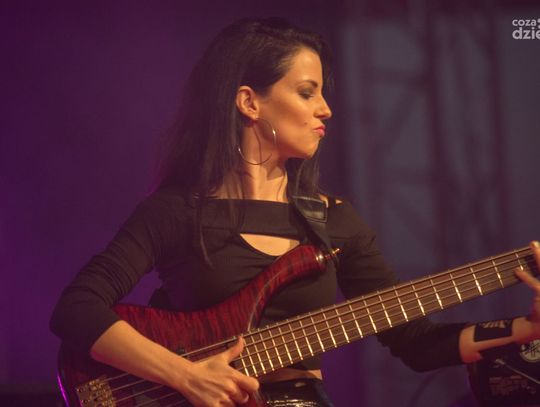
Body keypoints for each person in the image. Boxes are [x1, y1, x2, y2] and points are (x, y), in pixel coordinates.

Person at [50, 17, 540, 407]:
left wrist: (525, 329)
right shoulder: (175, 212)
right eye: (307, 92)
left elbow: (416, 342)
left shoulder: (335, 221)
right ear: (250, 102)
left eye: (322, 93)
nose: (326, 109)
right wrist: (186, 376)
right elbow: (76, 310)